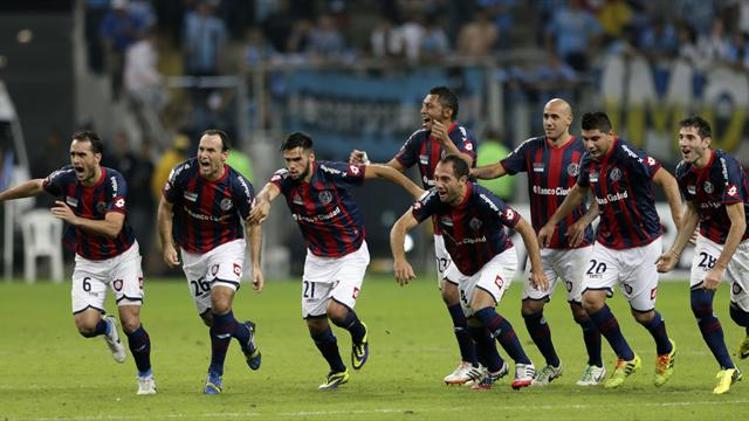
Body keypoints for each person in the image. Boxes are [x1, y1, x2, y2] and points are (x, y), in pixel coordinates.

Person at [248, 132, 424, 390]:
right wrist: (264, 202)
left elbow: (382, 171)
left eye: (297, 159)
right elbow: (268, 191)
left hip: (350, 254)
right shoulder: (284, 179)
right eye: (288, 160)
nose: (292, 166)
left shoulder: (332, 173)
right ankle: (337, 371)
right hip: (317, 258)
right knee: (315, 323)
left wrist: (417, 192)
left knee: (337, 312)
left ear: (311, 157)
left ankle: (359, 333)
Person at [0, 130, 155, 395]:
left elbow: (113, 228)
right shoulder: (66, 178)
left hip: (122, 257)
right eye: (73, 154)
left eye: (82, 154)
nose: (76, 160)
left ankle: (146, 377)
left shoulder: (114, 182)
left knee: (130, 321)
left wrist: (75, 220)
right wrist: (2, 196)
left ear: (97, 157)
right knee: (86, 326)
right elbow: (37, 185)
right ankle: (106, 326)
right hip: (88, 261)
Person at [538, 111, 682, 389]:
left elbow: (668, 180)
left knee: (643, 314)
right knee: (590, 300)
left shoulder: (628, 155)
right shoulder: (588, 161)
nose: (589, 145)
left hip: (642, 244)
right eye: (585, 139)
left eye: (595, 138)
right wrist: (553, 222)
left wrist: (679, 220)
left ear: (610, 135)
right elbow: (579, 192)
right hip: (607, 243)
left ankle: (665, 348)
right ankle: (626, 357)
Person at [349, 86, 482, 386]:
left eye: (429, 106)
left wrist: (446, 142)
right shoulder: (418, 139)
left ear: (447, 111)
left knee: (465, 296)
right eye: (423, 106)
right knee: (452, 295)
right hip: (441, 230)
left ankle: (478, 361)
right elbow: (391, 170)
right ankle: (476, 362)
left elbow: (468, 168)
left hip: (469, 227)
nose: (423, 111)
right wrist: (365, 164)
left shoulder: (461, 135)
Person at [472, 98, 603, 386]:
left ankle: (596, 364)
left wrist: (584, 221)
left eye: (555, 117)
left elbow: (601, 197)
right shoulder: (532, 149)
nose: (549, 122)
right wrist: (468, 173)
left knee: (581, 310)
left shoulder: (584, 151)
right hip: (542, 244)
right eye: (545, 116)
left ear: (568, 120)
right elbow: (498, 169)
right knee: (530, 308)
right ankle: (552, 364)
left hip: (578, 245)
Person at [391, 155, 548, 390]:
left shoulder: (482, 199)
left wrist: (537, 268)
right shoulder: (434, 199)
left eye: (445, 179)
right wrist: (400, 259)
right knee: (473, 321)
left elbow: (524, 227)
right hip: (465, 265)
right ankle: (495, 367)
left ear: (463, 180)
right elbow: (400, 226)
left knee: (481, 308)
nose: (438, 184)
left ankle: (524, 363)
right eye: (436, 178)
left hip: (497, 258)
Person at [156, 129, 263, 395]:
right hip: (192, 252)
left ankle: (215, 374)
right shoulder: (182, 174)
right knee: (212, 319)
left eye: (210, 150)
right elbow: (165, 207)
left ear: (224, 156)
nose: (203, 155)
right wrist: (167, 244)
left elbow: (253, 224)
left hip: (226, 246)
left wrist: (255, 265)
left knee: (221, 303)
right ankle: (244, 334)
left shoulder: (238, 185)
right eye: (201, 149)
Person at [656, 116, 749, 394]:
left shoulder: (725, 168)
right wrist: (674, 252)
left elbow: (739, 223)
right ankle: (728, 368)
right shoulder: (683, 171)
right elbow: (694, 210)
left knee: (741, 315)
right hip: (711, 238)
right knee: (699, 302)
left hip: (742, 241)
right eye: (681, 137)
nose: (683, 143)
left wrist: (719, 269)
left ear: (706, 142)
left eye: (690, 138)